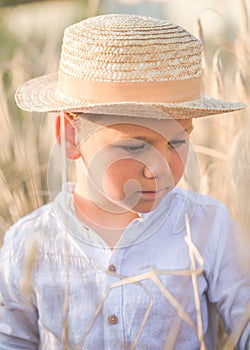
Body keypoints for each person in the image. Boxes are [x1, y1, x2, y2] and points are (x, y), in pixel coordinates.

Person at [0, 13, 249, 350]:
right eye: (134, 147)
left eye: (177, 141)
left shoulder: (208, 228)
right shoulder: (28, 243)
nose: (159, 167)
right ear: (71, 136)